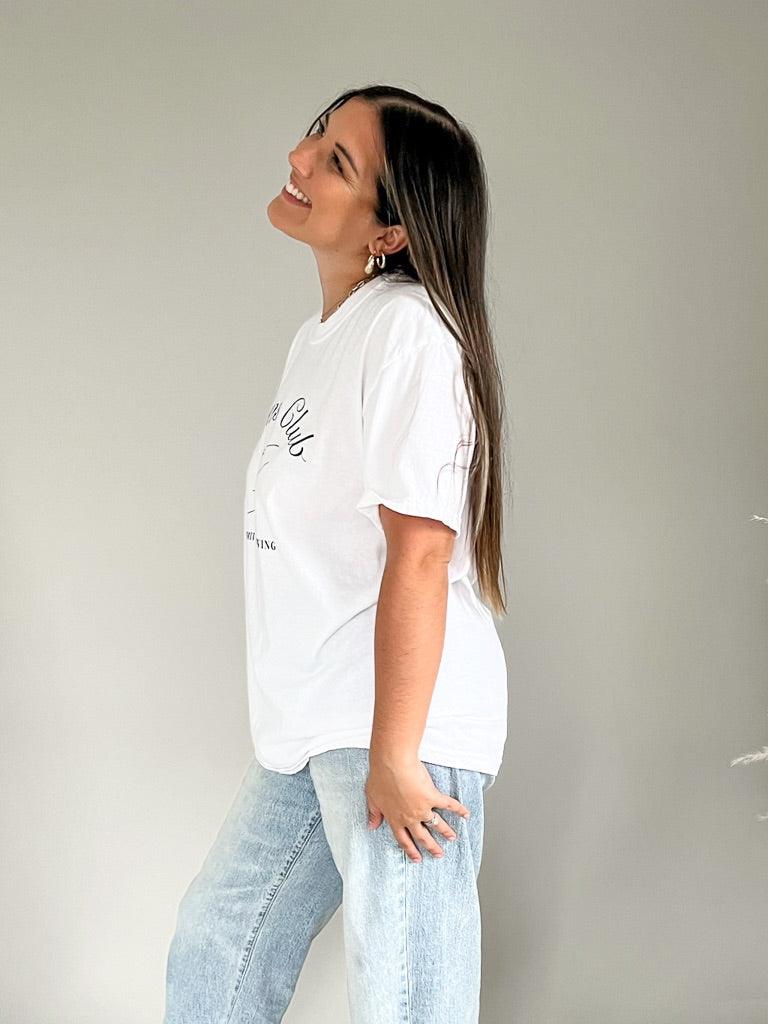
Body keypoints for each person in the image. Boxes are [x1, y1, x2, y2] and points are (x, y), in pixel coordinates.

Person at [163, 83, 510, 1024]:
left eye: (337, 160)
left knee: (405, 1003)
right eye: (317, 133)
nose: (300, 156)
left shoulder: (409, 334)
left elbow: (421, 553)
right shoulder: (324, 337)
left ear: (389, 232)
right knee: (217, 949)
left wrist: (396, 752)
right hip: (314, 722)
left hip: (396, 730)